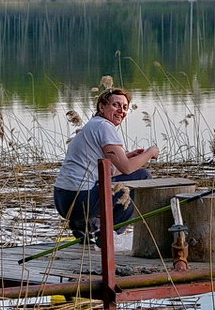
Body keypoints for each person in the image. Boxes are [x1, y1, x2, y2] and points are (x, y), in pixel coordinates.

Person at [54, 88, 159, 243]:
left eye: (124, 107)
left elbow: (105, 170)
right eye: (115, 105)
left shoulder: (92, 126)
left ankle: (86, 225)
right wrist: (150, 152)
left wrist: (128, 156)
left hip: (63, 200)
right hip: (81, 200)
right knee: (143, 177)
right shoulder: (104, 126)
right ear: (101, 107)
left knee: (120, 180)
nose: (121, 111)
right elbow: (127, 168)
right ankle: (108, 234)